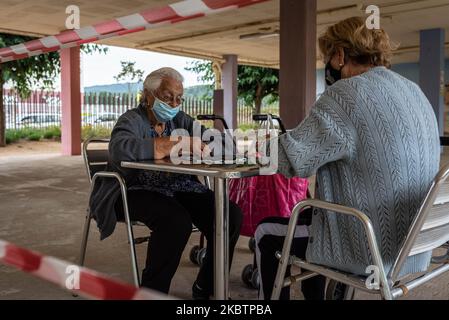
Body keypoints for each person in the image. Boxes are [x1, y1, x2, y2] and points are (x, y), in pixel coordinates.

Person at [256, 16, 440, 300]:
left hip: (366, 245)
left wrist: (261, 145)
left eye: (328, 57)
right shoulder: (414, 91)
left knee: (266, 232)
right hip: (416, 245)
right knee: (311, 217)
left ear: (340, 55)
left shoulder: (345, 94)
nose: (327, 67)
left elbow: (292, 160)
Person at [89, 67, 243, 299]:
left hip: (178, 187)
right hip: (132, 189)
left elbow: (220, 143)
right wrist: (171, 142)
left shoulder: (180, 120)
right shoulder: (131, 119)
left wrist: (213, 145)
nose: (173, 103)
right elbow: (119, 149)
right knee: (175, 221)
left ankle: (207, 288)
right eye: (166, 96)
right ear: (148, 95)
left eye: (178, 98)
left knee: (228, 215)